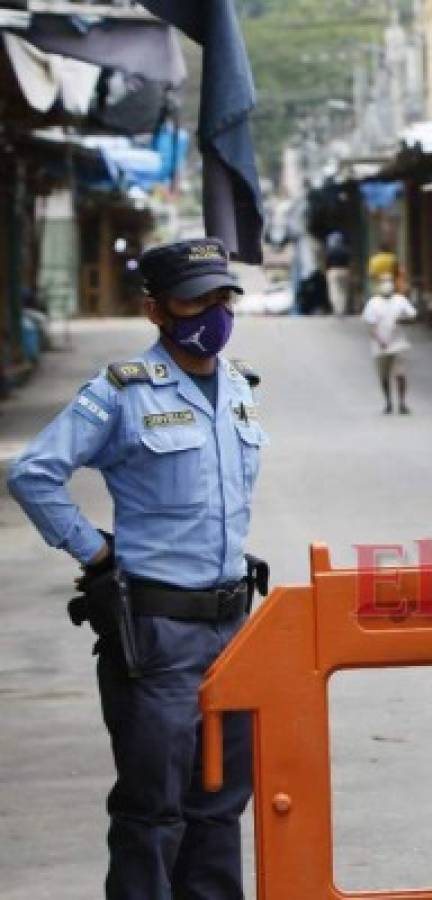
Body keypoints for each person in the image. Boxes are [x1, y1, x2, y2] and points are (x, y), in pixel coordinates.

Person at [7, 237, 269, 900]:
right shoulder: (122, 393)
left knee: (220, 806)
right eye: (195, 300)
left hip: (235, 629)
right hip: (157, 634)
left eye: (223, 297)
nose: (214, 313)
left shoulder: (238, 388)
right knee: (153, 810)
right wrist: (95, 551)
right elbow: (34, 474)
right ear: (156, 310)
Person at [361, 271, 417, 414]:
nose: (387, 284)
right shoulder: (373, 303)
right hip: (380, 346)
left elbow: (412, 316)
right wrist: (380, 340)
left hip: (398, 343)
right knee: (384, 376)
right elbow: (370, 325)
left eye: (389, 281)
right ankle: (388, 402)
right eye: (383, 281)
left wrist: (402, 319)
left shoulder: (400, 300)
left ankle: (402, 403)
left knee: (400, 373)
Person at [324, 230, 352, 316]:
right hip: (345, 271)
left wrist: (326, 271)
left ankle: (337, 309)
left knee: (334, 291)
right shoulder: (346, 250)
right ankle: (342, 309)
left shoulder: (329, 251)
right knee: (344, 291)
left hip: (333, 271)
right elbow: (349, 262)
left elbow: (327, 263)